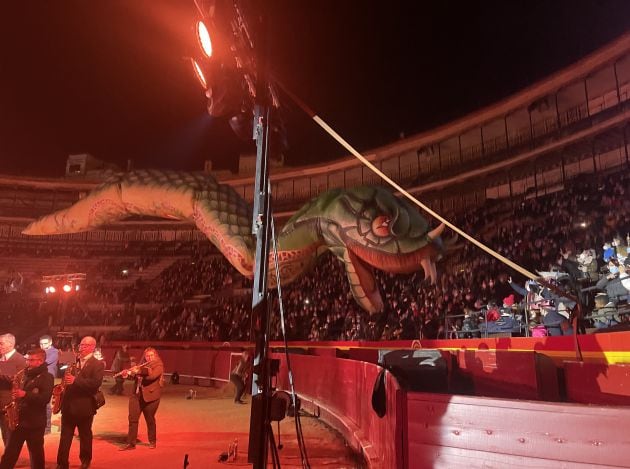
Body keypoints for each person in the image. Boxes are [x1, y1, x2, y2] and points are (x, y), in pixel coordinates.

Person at [0, 348, 54, 469]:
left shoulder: (47, 377)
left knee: (36, 455)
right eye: (27, 359)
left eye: (31, 360)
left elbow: (44, 399)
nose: (27, 362)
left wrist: (25, 394)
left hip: (35, 423)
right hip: (19, 421)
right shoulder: (25, 374)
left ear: (40, 361)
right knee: (10, 453)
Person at [56, 336, 104, 469]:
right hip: (68, 405)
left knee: (85, 435)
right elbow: (63, 373)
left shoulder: (98, 364)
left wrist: (75, 380)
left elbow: (95, 384)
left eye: (85, 345)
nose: (81, 347)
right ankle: (61, 463)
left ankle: (85, 460)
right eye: (81, 345)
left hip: (85, 406)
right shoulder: (73, 360)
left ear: (92, 347)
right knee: (65, 436)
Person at [119, 347, 164, 451]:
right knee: (132, 419)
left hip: (151, 397)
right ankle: (131, 443)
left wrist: (137, 371)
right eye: (147, 356)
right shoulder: (141, 365)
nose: (149, 358)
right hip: (136, 395)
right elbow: (135, 378)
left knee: (150, 420)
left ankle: (152, 441)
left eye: (151, 355)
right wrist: (128, 374)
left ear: (155, 355)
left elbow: (151, 377)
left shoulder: (158, 365)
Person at [0, 333, 26, 446]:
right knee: (4, 431)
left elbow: (18, 380)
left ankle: (10, 458)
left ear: (10, 344)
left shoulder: (19, 359)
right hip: (1, 401)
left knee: (9, 431)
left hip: (10, 403)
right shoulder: (2, 358)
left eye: (1, 343)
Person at [39, 334, 58, 434]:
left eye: (45, 343)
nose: (42, 346)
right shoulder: (40, 352)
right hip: (40, 379)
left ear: (50, 343)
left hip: (48, 380)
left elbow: (44, 363)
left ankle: (47, 428)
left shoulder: (54, 352)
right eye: (41, 344)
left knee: (46, 404)